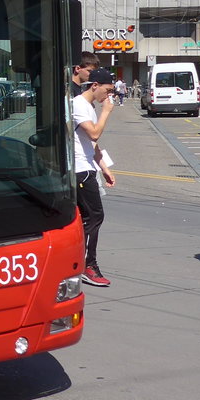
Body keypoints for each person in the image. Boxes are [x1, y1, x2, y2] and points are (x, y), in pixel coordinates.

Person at [73, 66, 117, 287]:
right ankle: (87, 265)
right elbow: (94, 133)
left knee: (87, 217)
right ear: (95, 86)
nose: (108, 96)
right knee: (94, 216)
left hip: (88, 166)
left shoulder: (87, 106)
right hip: (80, 169)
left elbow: (93, 143)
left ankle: (80, 262)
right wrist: (106, 112)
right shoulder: (79, 104)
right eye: (107, 91)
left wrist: (105, 167)